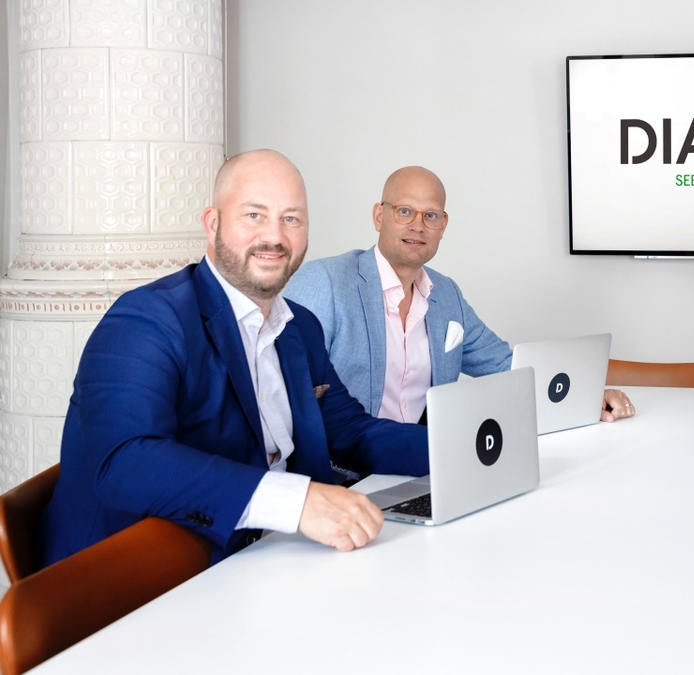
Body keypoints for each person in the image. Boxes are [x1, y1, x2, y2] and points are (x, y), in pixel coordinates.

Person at [38, 150, 429, 568]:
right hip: (140, 579)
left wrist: (459, 450)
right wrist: (296, 503)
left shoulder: (300, 327)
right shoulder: (145, 320)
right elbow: (126, 462)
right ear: (213, 224)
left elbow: (350, 431)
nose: (274, 237)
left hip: (275, 558)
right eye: (254, 215)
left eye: (291, 219)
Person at [284, 166, 635, 426]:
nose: (418, 225)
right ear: (379, 216)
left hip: (419, 466)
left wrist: (588, 396)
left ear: (443, 226)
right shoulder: (326, 282)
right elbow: (287, 396)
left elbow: (507, 366)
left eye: (431, 215)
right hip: (342, 475)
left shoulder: (446, 294)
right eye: (404, 211)